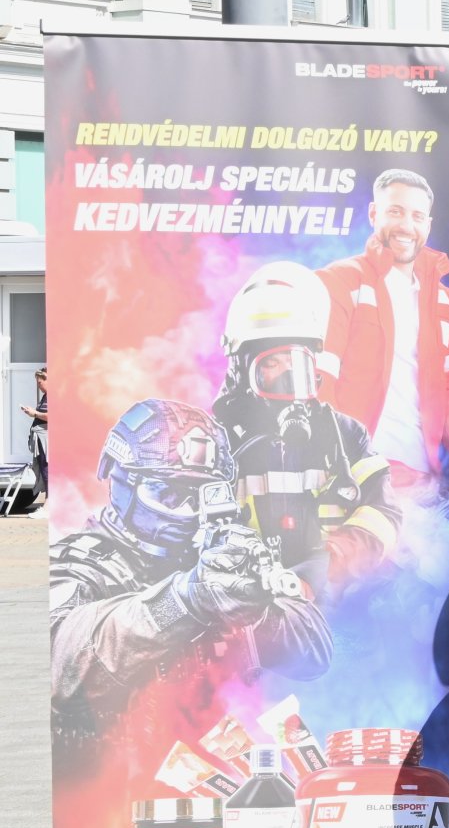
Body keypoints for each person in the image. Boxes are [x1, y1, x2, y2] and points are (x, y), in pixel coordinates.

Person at [50, 399, 331, 736]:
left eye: (200, 495)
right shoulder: (80, 563)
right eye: (167, 493)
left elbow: (315, 655)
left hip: (215, 769)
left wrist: (257, 610)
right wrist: (185, 600)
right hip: (112, 777)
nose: (186, 511)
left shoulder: (218, 556)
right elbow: (60, 666)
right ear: (122, 481)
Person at [212, 262, 401, 597]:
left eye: (297, 361)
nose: (288, 375)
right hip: (238, 602)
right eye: (271, 363)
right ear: (241, 370)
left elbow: (383, 513)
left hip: (335, 601)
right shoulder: (216, 438)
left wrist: (326, 568)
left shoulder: (344, 435)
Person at [317, 168, 449, 488]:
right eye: (395, 211)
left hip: (426, 480)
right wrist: (334, 460)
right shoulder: (339, 282)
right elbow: (319, 381)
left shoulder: (448, 303)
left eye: (417, 216)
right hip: (358, 473)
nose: (406, 226)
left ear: (428, 225)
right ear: (374, 214)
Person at [24, 367, 47, 515]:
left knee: (46, 470)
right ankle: (47, 506)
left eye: (40, 382)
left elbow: (52, 415)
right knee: (44, 470)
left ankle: (48, 507)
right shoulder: (45, 397)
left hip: (46, 438)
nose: (38, 385)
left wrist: (34, 413)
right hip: (40, 437)